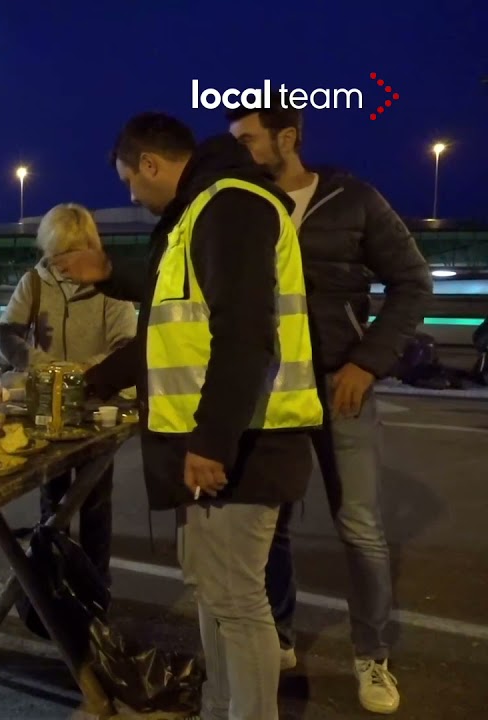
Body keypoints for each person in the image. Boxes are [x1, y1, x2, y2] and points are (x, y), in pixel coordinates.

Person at [59, 112, 323, 720]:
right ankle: (219, 705)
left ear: (150, 164)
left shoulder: (230, 206)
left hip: (244, 443)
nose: (131, 194)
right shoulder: (200, 213)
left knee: (237, 599)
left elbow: (243, 335)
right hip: (218, 442)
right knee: (213, 592)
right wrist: (92, 380)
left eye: (130, 179)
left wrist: (211, 442)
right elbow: (171, 330)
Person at [229, 105, 430, 713]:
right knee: (272, 526)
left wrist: (367, 362)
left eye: (247, 140)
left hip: (343, 385)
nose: (238, 152)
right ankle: (280, 636)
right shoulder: (245, 206)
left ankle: (372, 655)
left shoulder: (354, 200)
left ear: (287, 138)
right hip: (273, 389)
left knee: (361, 529)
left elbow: (412, 282)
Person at [0, 203, 136, 585]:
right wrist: (42, 365)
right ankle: (48, 584)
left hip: (98, 409)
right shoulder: (34, 282)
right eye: (55, 252)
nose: (61, 262)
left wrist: (81, 373)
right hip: (46, 410)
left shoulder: (111, 288)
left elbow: (126, 345)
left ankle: (95, 589)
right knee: (51, 499)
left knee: (95, 503)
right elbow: (7, 334)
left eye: (71, 252)